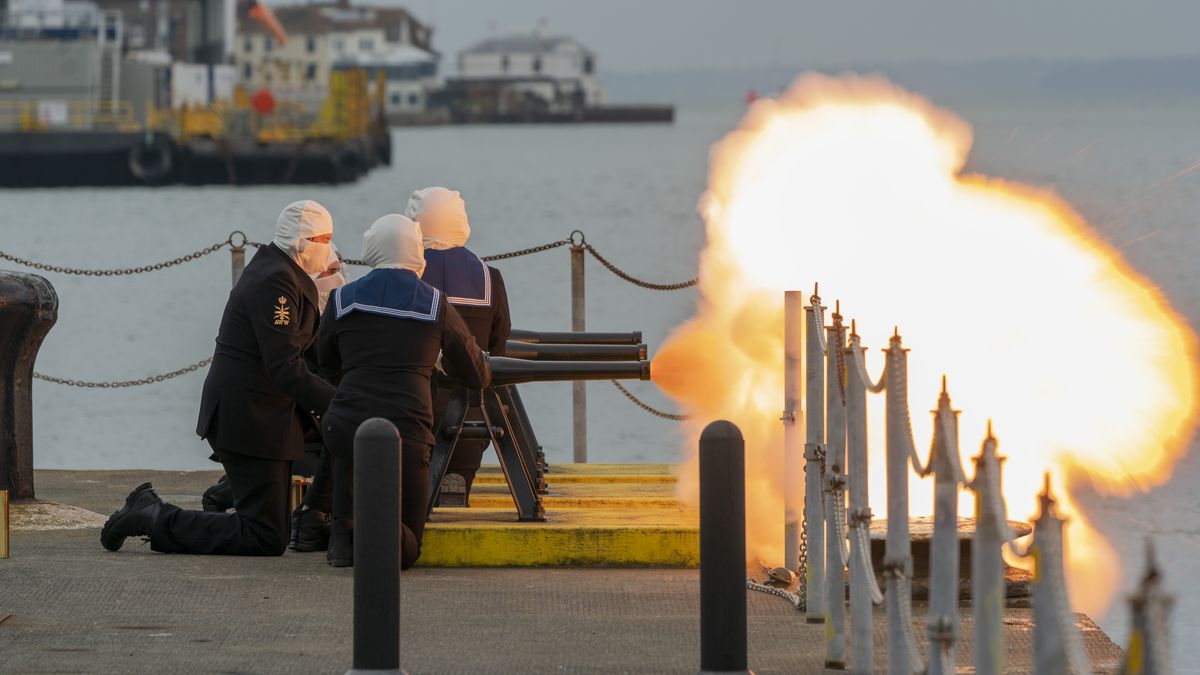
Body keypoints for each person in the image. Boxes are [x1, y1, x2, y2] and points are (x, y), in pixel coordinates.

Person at [100, 200, 338, 556]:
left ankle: (229, 492)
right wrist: (341, 401)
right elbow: (285, 366)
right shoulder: (276, 282)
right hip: (249, 418)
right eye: (325, 238)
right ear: (303, 242)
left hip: (265, 416)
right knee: (264, 536)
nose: (331, 247)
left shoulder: (283, 272)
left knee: (274, 525)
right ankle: (153, 515)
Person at [319, 214, 490, 567]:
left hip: (345, 425)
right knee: (407, 551)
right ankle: (373, 521)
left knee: (348, 448)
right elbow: (476, 373)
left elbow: (327, 362)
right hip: (408, 434)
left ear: (371, 249)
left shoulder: (340, 299)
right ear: (417, 253)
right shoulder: (434, 303)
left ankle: (343, 535)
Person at [405, 187, 511, 505]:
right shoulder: (490, 277)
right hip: (471, 419)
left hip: (408, 413)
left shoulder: (400, 275)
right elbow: (498, 348)